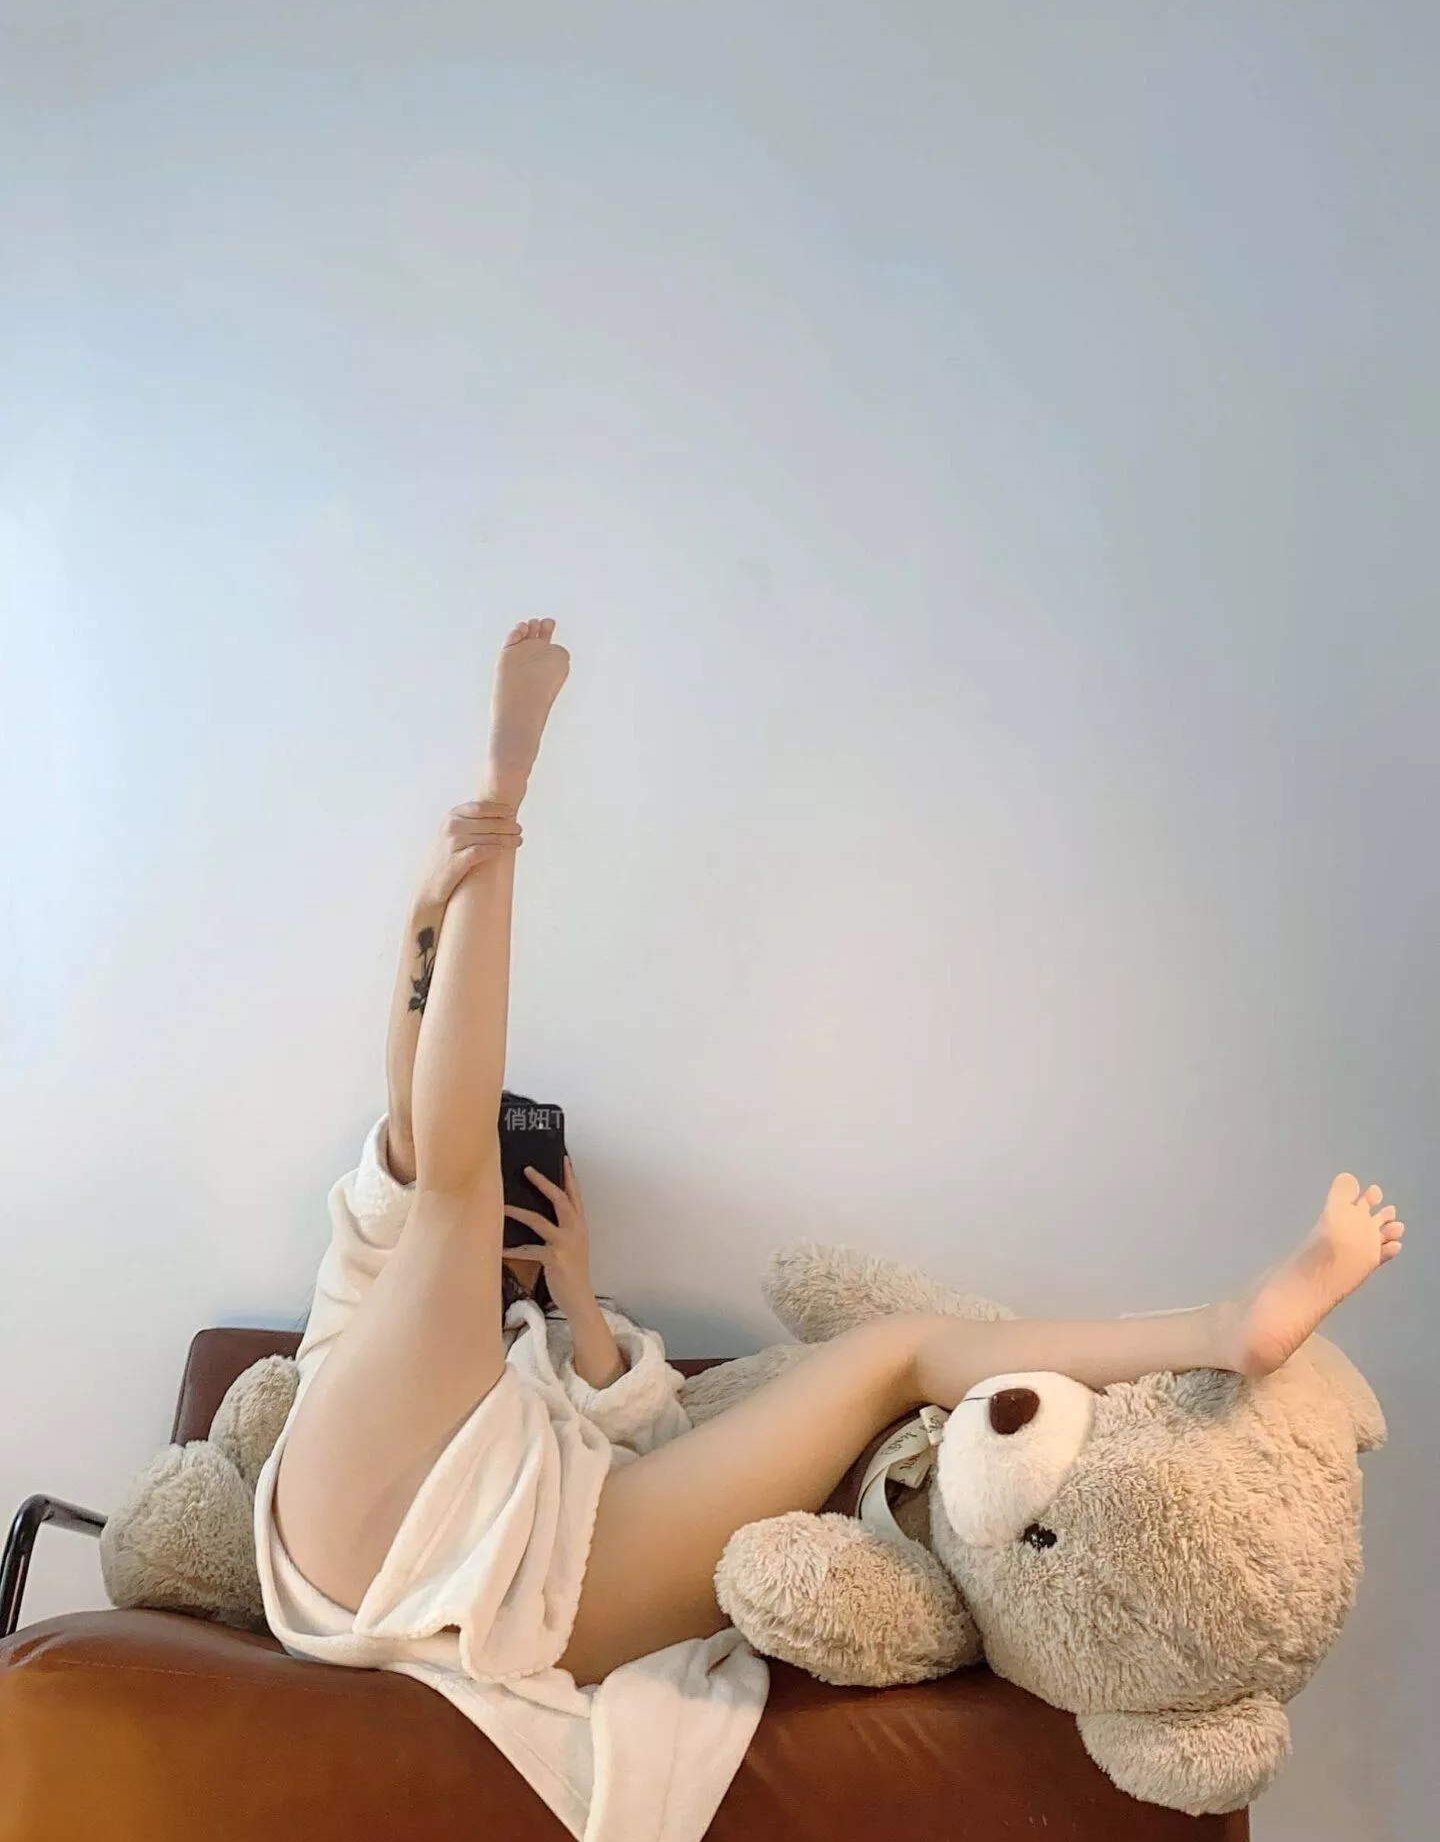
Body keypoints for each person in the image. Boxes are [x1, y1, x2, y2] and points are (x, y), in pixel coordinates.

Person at [270, 618, 1403, 1695]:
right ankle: (503, 798)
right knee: (450, 1192)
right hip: (358, 1533)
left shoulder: (541, 1350)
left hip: (548, 1569)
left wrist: (575, 1295)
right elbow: (425, 1135)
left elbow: (643, 1437)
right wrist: (430, 910)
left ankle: (1223, 1329)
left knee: (893, 1351)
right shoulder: (382, 1259)